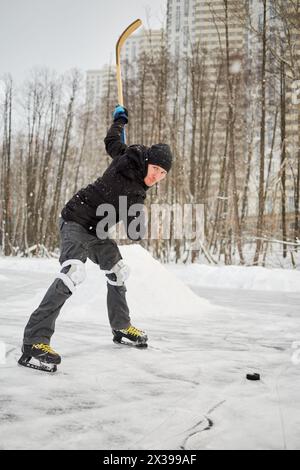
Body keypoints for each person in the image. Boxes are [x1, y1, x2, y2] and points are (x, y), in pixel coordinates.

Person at [19, 105, 173, 370]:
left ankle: (121, 327)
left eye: (163, 174)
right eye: (156, 168)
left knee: (118, 271)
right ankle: (34, 341)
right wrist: (141, 217)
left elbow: (111, 141)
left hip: (97, 230)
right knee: (73, 272)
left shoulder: (126, 155)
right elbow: (135, 232)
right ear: (147, 162)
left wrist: (119, 121)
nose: (157, 177)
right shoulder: (131, 187)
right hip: (76, 220)